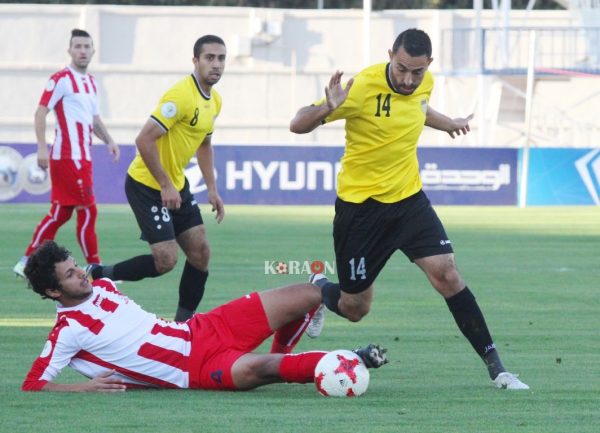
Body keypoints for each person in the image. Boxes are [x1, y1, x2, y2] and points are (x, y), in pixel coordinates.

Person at [290, 28, 528, 390]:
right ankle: (320, 287)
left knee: (447, 274)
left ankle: (498, 369)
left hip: (408, 202)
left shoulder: (423, 82)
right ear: (390, 55)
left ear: (428, 65)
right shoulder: (362, 87)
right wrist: (327, 107)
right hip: (361, 211)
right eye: (401, 69)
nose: (408, 79)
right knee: (356, 308)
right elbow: (297, 124)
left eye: (417, 72)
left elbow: (418, 106)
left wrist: (447, 123)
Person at [21, 240, 387, 392]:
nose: (81, 274)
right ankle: (352, 361)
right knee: (265, 368)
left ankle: (306, 326)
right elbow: (32, 385)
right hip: (194, 369)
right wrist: (82, 387)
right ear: (53, 292)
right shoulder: (67, 332)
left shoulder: (101, 285)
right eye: (70, 275)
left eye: (76, 267)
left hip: (206, 327)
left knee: (310, 292)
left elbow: (144, 265)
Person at [87, 35, 226, 322]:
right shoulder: (180, 96)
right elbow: (143, 140)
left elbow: (204, 144)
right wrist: (165, 184)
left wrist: (212, 189)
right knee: (166, 261)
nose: (216, 64)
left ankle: (182, 326)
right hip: (147, 184)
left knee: (200, 252)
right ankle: (98, 274)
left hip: (176, 184)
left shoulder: (215, 100)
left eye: (221, 58)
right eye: (210, 58)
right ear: (196, 61)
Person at [13, 29, 120, 278]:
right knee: (88, 210)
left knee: (60, 213)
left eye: (86, 46)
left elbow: (93, 120)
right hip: (67, 155)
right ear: (70, 50)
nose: (82, 50)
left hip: (83, 156)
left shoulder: (91, 82)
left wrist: (109, 140)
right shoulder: (61, 79)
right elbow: (40, 112)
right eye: (78, 46)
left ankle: (26, 260)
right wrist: (41, 147)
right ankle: (96, 267)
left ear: (93, 51)